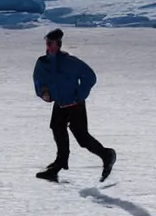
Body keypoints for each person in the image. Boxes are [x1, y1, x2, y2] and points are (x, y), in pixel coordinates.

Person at [33, 29, 117, 183]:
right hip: (60, 103)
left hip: (75, 104)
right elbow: (38, 79)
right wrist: (43, 91)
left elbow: (90, 77)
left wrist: (80, 95)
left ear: (58, 44)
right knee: (57, 129)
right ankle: (58, 164)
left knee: (82, 137)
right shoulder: (43, 62)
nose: (48, 46)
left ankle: (107, 155)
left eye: (51, 43)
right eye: (47, 43)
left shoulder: (70, 62)